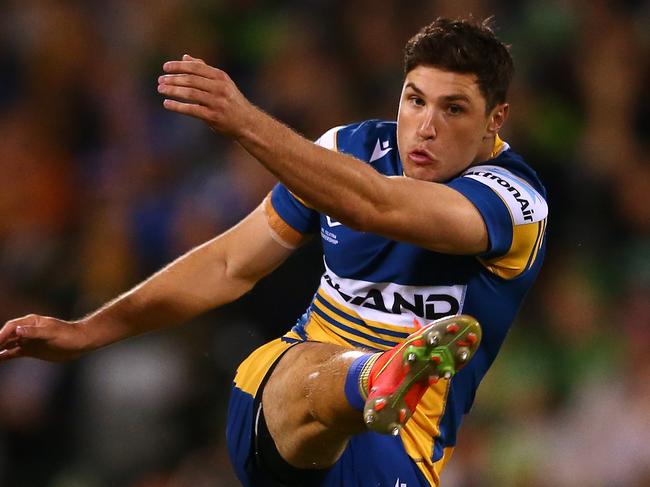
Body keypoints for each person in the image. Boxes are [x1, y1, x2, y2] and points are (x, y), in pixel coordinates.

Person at [0, 17, 548, 487]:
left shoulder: (515, 202)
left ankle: (381, 381)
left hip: (398, 454)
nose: (425, 127)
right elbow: (227, 265)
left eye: (453, 109)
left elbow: (377, 206)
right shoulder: (347, 150)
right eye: (415, 99)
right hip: (278, 407)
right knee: (311, 366)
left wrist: (245, 121)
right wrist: (86, 332)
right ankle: (372, 377)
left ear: (494, 120)